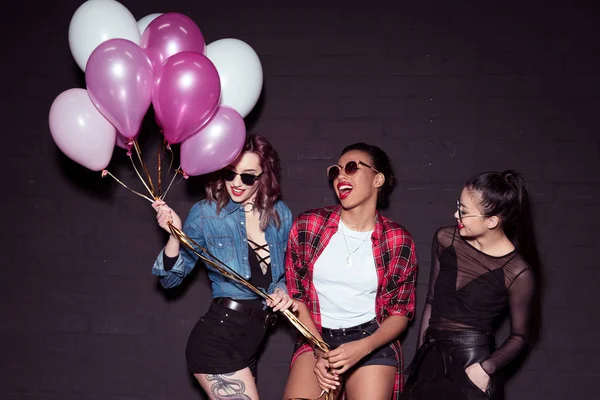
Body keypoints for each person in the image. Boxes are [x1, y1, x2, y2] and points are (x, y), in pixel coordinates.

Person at [151, 134, 297, 400]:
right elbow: (170, 280)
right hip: (218, 338)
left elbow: (284, 275)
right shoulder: (207, 213)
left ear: (264, 176)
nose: (237, 183)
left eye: (248, 176)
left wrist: (283, 292)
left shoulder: (280, 215)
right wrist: (174, 235)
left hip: (251, 341)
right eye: (230, 174)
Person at [283, 143, 418, 400]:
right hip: (317, 334)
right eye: (336, 171)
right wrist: (320, 350)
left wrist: (363, 347)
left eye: (352, 168)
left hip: (370, 339)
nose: (341, 175)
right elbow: (297, 296)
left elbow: (401, 312)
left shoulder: (398, 240)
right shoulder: (308, 225)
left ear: (378, 179)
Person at [401, 170, 539, 400]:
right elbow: (432, 302)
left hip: (472, 365)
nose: (456, 215)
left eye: (464, 212)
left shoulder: (517, 271)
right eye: (458, 206)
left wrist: (486, 369)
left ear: (492, 221)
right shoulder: (446, 239)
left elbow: (520, 336)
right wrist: (420, 359)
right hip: (430, 359)